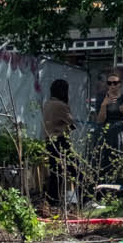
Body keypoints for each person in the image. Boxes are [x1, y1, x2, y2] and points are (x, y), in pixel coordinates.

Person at [42, 79, 75, 211]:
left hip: (49, 141)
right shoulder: (61, 105)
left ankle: (52, 201)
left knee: (56, 172)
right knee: (75, 170)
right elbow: (72, 124)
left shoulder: (48, 104)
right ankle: (85, 198)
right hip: (61, 141)